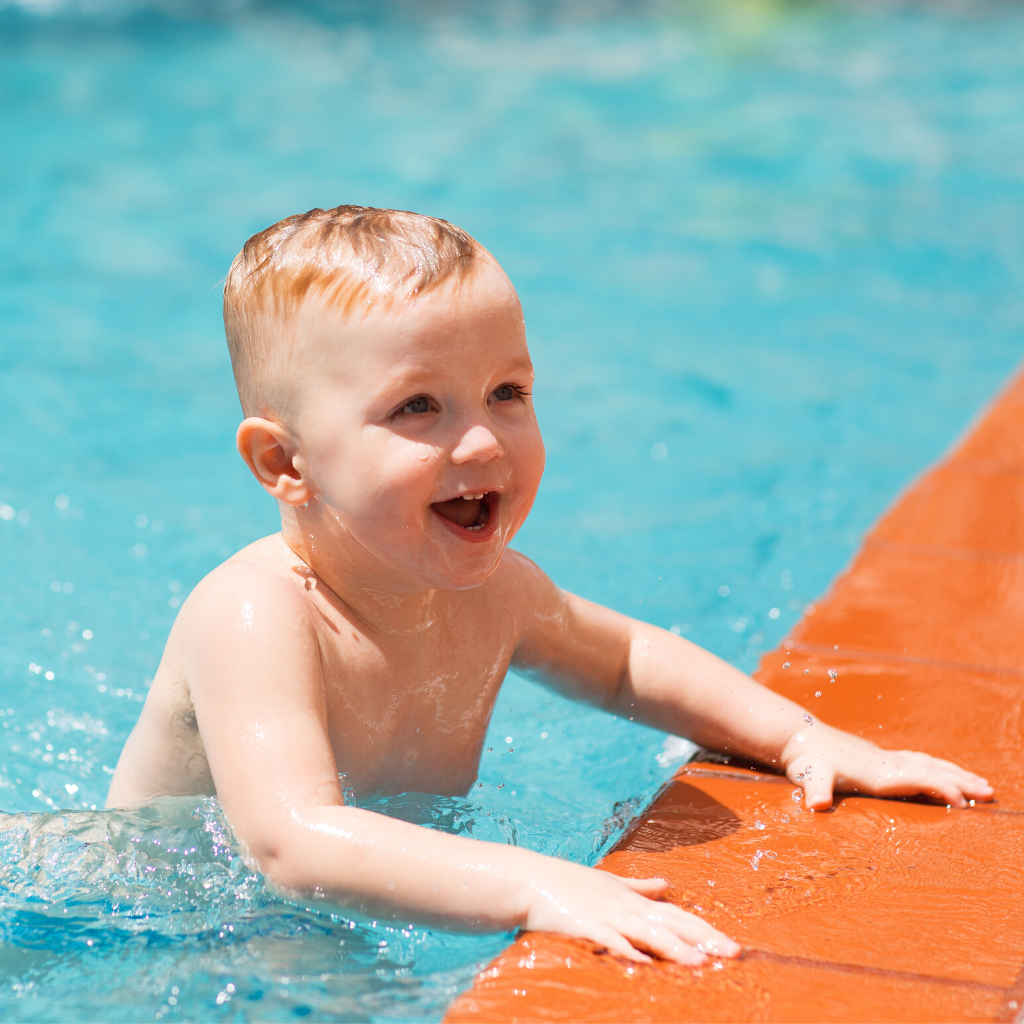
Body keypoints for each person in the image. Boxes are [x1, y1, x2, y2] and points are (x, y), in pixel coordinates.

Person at [106, 205, 992, 965]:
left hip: (319, 902)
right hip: (160, 912)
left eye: (506, 391)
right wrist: (529, 883)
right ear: (285, 461)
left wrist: (803, 737)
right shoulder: (257, 612)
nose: (485, 443)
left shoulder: (495, 594)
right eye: (419, 407)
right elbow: (289, 842)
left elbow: (627, 662)